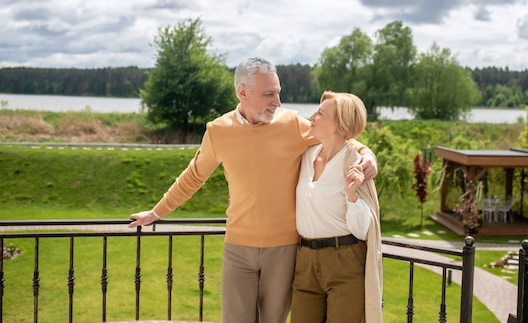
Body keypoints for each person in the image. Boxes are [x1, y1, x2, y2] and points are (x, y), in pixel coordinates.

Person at [128, 57, 377, 323]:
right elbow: (193, 176)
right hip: (237, 247)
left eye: (278, 93)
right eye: (269, 94)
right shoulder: (218, 131)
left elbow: (341, 136)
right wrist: (156, 212)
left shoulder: (291, 124)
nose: (277, 102)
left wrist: (368, 155)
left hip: (284, 249)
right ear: (243, 92)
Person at [291, 91, 383, 323]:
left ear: (339, 124)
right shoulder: (306, 155)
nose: (312, 116)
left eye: (321, 113)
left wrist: (352, 196)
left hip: (344, 260)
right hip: (305, 260)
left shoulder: (354, 163)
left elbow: (364, 231)